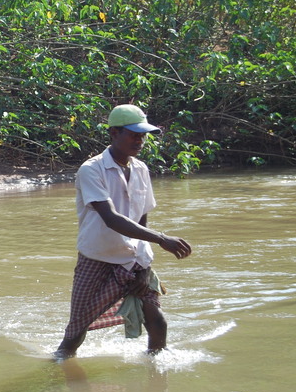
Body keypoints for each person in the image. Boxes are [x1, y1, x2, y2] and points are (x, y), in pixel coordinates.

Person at [54, 104, 192, 359]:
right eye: (133, 134)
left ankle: (156, 370)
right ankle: (58, 367)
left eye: (143, 135)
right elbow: (111, 218)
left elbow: (142, 217)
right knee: (76, 331)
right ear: (114, 133)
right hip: (98, 258)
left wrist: (145, 264)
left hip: (134, 258)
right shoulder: (91, 170)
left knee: (157, 321)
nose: (140, 140)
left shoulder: (140, 169)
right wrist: (162, 239)